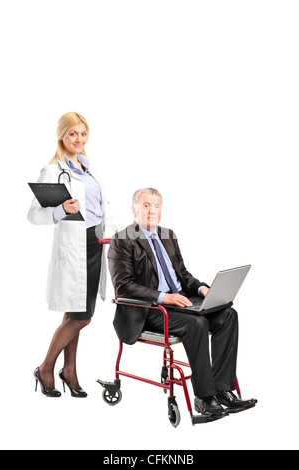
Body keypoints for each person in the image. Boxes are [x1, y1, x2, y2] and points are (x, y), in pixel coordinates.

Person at [107, 188, 256, 419]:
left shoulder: (168, 235)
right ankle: (204, 398)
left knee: (228, 315)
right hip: (148, 309)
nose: (152, 211)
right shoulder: (122, 239)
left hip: (180, 302)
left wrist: (201, 288)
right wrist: (163, 297)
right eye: (146, 206)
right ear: (134, 209)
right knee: (197, 324)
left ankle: (223, 390)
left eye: (157, 206)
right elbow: (123, 286)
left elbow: (182, 275)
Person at [28, 112, 122, 398]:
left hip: (95, 244)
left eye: (83, 134)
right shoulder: (53, 169)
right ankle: (45, 368)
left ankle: (69, 370)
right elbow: (33, 214)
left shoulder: (87, 167)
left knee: (74, 312)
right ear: (62, 136)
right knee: (82, 317)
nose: (79, 139)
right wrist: (61, 211)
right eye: (73, 134)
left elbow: (100, 207)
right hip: (74, 248)